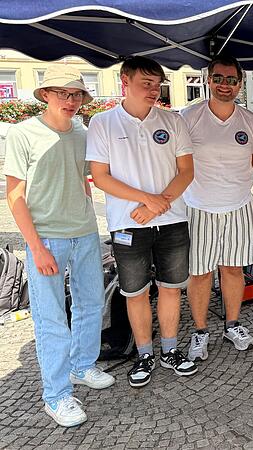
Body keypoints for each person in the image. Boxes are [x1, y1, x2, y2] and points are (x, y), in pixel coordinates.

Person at [4, 65, 114, 427]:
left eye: (77, 95)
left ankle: (82, 366)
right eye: (62, 93)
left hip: (84, 231)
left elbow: (86, 176)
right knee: (51, 318)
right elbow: (15, 194)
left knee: (90, 303)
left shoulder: (83, 132)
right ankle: (56, 395)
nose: (70, 101)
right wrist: (35, 247)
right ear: (46, 95)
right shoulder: (23, 134)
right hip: (46, 236)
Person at [86, 56, 197, 388]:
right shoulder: (103, 123)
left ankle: (170, 350)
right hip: (128, 223)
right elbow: (100, 177)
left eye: (157, 84)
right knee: (135, 292)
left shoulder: (173, 121)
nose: (153, 90)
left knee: (171, 288)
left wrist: (157, 204)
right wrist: (148, 200)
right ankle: (144, 354)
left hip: (173, 220)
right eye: (145, 83)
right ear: (125, 80)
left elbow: (186, 171)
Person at [180, 55, 253, 361]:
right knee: (200, 272)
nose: (225, 85)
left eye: (231, 80)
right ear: (208, 79)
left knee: (233, 269)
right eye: (218, 78)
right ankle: (200, 331)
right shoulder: (188, 117)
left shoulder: (250, 121)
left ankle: (232, 324)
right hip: (199, 206)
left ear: (240, 83)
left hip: (239, 205)